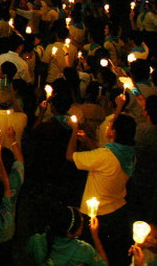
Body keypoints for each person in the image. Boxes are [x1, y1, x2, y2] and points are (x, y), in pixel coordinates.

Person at [67, 111, 136, 266]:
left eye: (110, 125)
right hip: (117, 210)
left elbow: (70, 156)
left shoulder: (105, 155)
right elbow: (103, 156)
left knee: (92, 255)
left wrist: (73, 130)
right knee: (109, 252)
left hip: (96, 214)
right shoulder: (129, 154)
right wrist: (87, 140)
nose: (107, 127)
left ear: (113, 132)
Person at [28, 205, 108, 265]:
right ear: (69, 234)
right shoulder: (83, 250)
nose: (82, 226)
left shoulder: (36, 240)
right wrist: (95, 235)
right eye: (80, 225)